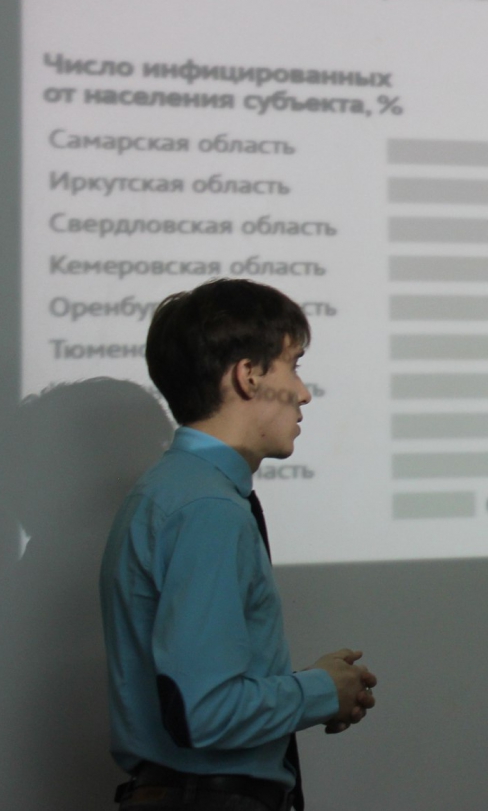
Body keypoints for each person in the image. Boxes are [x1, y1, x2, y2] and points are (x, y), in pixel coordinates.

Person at [101, 279, 377, 810]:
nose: (304, 393)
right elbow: (206, 712)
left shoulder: (173, 492)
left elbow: (196, 693)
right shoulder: (206, 509)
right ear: (248, 376)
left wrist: (317, 686)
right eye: (293, 365)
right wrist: (323, 691)